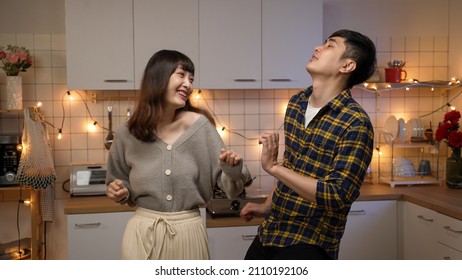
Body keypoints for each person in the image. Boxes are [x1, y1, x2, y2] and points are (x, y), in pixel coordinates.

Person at [240, 29, 376, 260]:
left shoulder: (355, 123)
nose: (318, 48)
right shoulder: (297, 102)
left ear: (347, 66)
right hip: (271, 231)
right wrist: (266, 205)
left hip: (311, 242)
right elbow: (293, 166)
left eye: (330, 46)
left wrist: (273, 168)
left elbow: (337, 195)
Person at [105, 49, 252, 260]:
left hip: (188, 234)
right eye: (181, 75)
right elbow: (118, 181)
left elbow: (230, 188)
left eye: (191, 79)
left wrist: (232, 171)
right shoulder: (126, 133)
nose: (189, 85)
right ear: (158, 77)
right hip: (141, 235)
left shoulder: (200, 127)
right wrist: (120, 191)